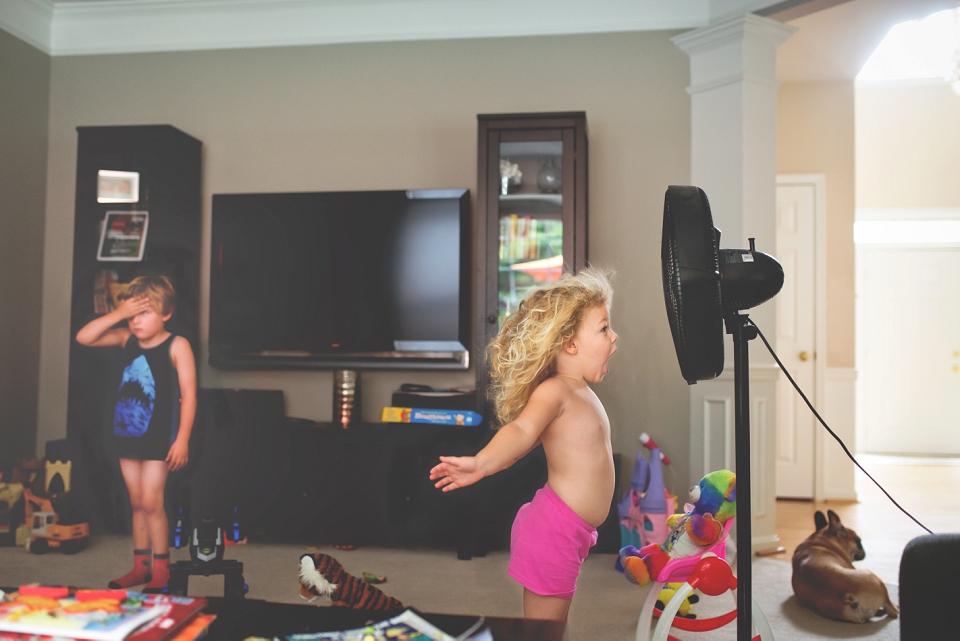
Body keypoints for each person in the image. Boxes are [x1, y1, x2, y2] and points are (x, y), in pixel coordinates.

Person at [430, 268, 618, 622]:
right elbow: (520, 432)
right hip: (553, 532)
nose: (614, 337)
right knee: (543, 632)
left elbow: (527, 448)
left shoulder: (580, 391)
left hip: (572, 531)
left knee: (550, 629)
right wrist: (481, 463)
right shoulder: (555, 391)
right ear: (570, 344)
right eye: (604, 328)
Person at [76, 275, 197, 593]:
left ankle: (162, 569)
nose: (136, 321)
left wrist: (182, 438)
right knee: (136, 501)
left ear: (166, 313)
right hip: (126, 434)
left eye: (144, 313)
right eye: (132, 314)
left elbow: (189, 394)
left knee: (152, 501)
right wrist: (119, 314)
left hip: (160, 439)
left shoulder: (177, 345)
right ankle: (140, 567)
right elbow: (83, 338)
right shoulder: (125, 337)